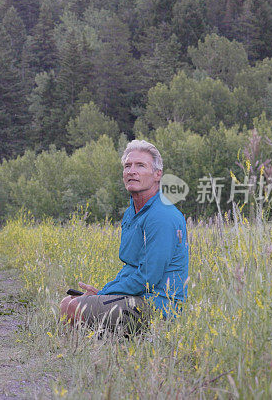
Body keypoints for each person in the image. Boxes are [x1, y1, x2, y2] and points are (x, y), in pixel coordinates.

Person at [59, 140, 189, 333]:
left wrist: (105, 293)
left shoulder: (162, 216)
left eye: (140, 165)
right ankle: (102, 342)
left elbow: (148, 277)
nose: (131, 171)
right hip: (138, 297)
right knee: (66, 302)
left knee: (74, 307)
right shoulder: (133, 212)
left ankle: (122, 342)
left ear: (157, 175)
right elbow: (132, 266)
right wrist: (106, 291)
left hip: (158, 306)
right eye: (127, 166)